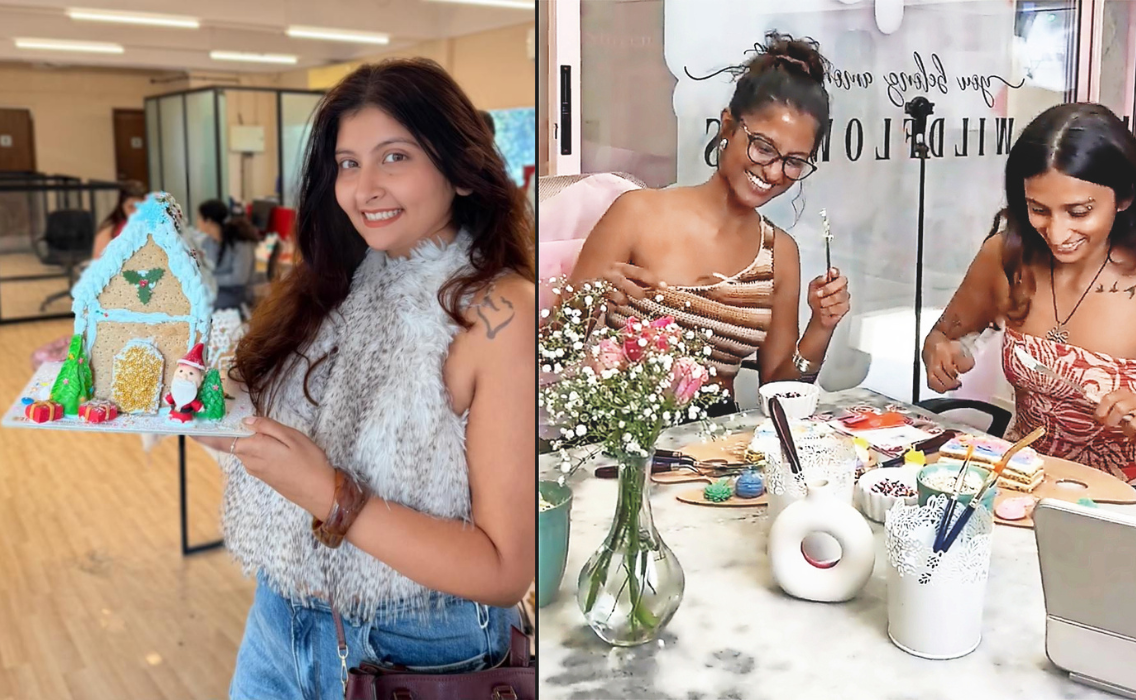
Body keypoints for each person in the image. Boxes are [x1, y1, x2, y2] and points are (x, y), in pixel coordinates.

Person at [193, 58, 535, 698]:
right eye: (348, 164)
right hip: (278, 621)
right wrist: (185, 396)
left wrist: (330, 495)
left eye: (395, 157)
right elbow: (272, 444)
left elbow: (504, 570)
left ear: (461, 171)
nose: (364, 187)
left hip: (417, 651)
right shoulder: (330, 285)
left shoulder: (499, 310)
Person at [565, 32, 851, 413]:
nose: (774, 171)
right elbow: (556, 348)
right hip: (619, 438)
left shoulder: (779, 255)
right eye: (764, 147)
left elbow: (779, 393)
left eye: (794, 161)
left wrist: (821, 326)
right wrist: (593, 300)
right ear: (728, 127)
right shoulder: (636, 214)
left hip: (714, 452)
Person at [923, 102, 1136, 490]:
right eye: (1038, 209)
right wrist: (940, 350)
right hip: (1016, 487)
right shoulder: (1006, 258)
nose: (1057, 232)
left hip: (1123, 502)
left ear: (1124, 197)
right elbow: (943, 336)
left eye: (1079, 211)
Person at [195, 199, 260, 312]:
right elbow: (205, 269)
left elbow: (239, 279)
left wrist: (210, 279)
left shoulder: (241, 242)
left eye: (199, 218)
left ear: (209, 221)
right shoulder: (207, 242)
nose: (197, 222)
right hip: (217, 291)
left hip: (237, 295)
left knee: (199, 307)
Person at [92, 181, 146, 258]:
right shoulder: (109, 231)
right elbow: (99, 263)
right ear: (121, 206)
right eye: (131, 207)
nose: (136, 212)